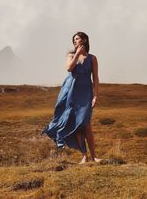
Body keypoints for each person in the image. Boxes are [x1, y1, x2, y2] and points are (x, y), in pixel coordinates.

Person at [42, 31, 102, 164]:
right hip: (71, 92)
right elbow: (69, 68)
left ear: (85, 40)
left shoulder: (92, 58)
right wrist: (77, 55)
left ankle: (94, 156)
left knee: (86, 124)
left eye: (77, 39)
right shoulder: (71, 55)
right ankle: (84, 155)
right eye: (73, 40)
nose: (75, 41)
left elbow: (96, 78)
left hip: (86, 93)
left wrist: (95, 95)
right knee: (77, 124)